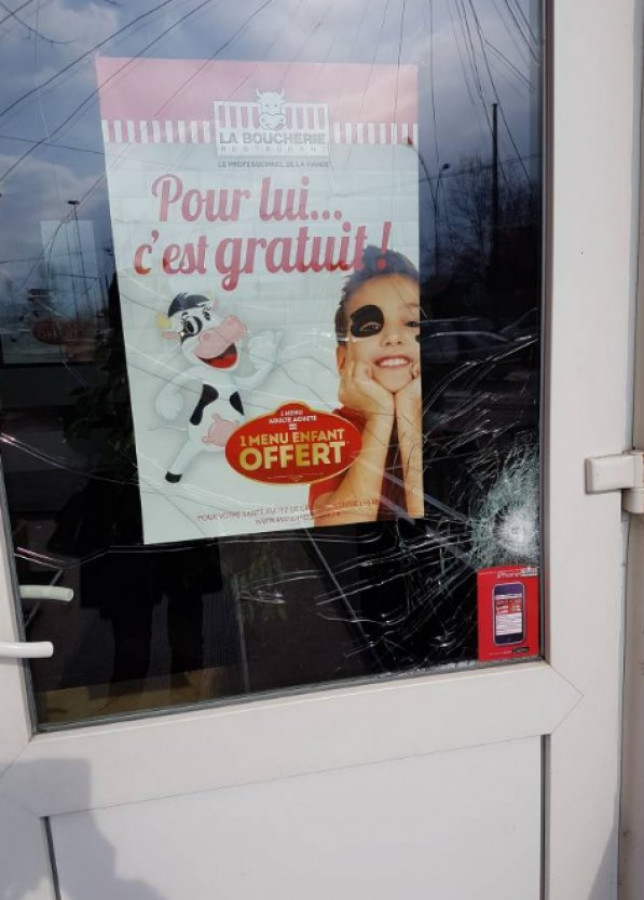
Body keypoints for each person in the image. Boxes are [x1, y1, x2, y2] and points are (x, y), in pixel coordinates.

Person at [309, 246, 424, 526]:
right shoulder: (332, 432)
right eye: (371, 326)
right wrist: (380, 417)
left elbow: (439, 524)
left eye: (412, 322)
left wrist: (410, 412)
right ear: (343, 360)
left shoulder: (447, 419)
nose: (393, 337)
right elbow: (336, 530)